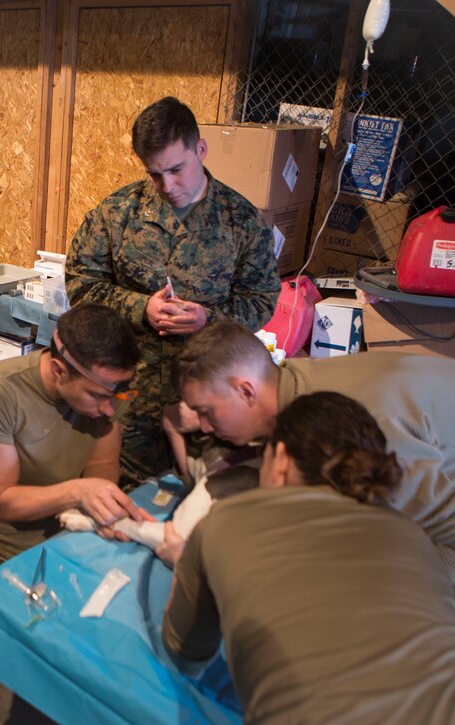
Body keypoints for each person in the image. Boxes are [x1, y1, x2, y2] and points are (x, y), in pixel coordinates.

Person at [172, 321, 455, 616]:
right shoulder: (288, 388)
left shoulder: (367, 432)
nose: (206, 426)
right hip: (450, 462)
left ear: (246, 390)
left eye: (208, 412)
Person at [157, 392, 455, 724]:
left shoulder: (229, 521)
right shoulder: (412, 536)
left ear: (280, 460)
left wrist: (194, 564)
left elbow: (186, 653)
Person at [66, 96, 280, 488]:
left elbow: (261, 298)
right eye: (155, 174)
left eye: (177, 170)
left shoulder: (242, 222)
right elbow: (80, 281)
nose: (167, 186)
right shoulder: (117, 213)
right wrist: (139, 308)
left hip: (210, 404)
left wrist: (207, 320)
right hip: (129, 394)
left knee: (210, 496)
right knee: (127, 498)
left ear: (201, 149)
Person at [0, 303, 155, 615]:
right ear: (59, 370)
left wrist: (101, 512)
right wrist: (78, 493)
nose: (110, 410)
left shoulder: (110, 389)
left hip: (65, 538)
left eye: (117, 396)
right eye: (98, 396)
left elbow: (100, 473)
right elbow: (2, 501)